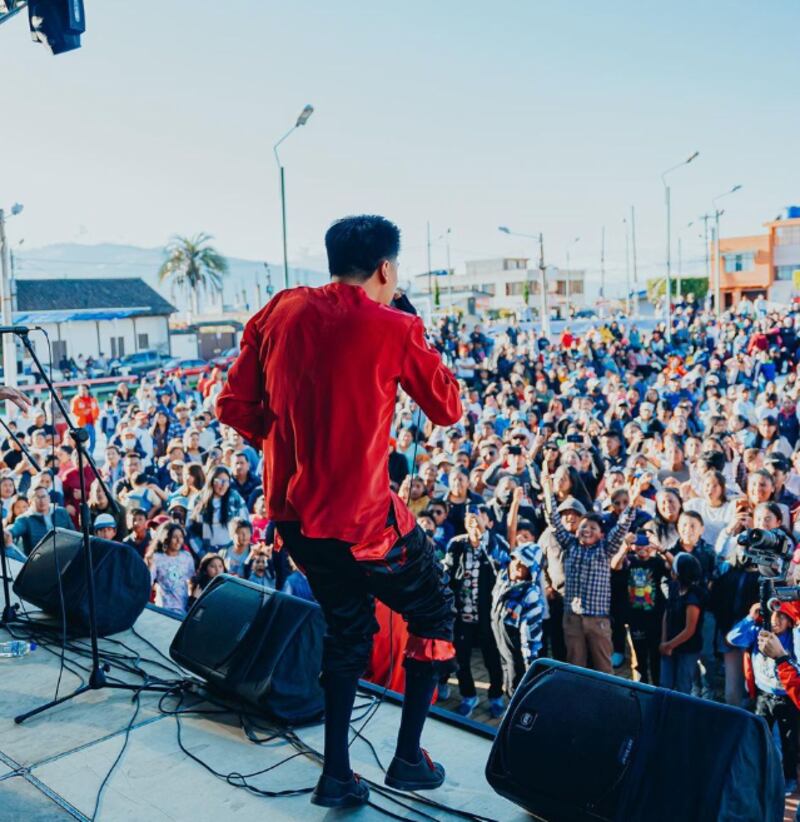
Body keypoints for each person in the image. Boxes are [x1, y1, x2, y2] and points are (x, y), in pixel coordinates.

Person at [217, 215, 461, 807]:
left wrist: (284, 446)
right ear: (386, 269)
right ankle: (407, 761)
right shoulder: (393, 326)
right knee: (435, 616)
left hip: (293, 519)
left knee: (348, 630)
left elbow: (234, 405)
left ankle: (337, 775)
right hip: (362, 523)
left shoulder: (278, 310)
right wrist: (410, 322)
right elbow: (447, 407)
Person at [543, 465, 638, 674]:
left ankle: (606, 702)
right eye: (583, 526)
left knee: (603, 666)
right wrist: (548, 491)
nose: (586, 530)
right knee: (576, 665)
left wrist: (632, 502)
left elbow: (622, 527)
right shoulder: (570, 544)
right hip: (572, 618)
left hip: (598, 620)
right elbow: (553, 520)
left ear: (601, 534)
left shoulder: (605, 549)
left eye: (593, 528)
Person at [443, 505, 508, 719]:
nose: (474, 521)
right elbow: (447, 575)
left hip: (488, 617)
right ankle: (468, 695)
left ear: (489, 522)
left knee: (492, 660)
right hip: (462, 615)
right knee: (461, 659)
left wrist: (483, 537)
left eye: (479, 517)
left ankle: (496, 696)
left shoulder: (495, 543)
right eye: (470, 518)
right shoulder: (457, 545)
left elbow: (501, 566)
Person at [728, 602, 798, 793]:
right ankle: (759, 774)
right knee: (759, 734)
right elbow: (733, 638)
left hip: (787, 697)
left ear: (791, 621)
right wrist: (751, 617)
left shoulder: (793, 637)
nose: (775, 619)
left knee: (789, 740)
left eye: (782, 616)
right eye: (772, 614)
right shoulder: (759, 630)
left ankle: (790, 776)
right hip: (763, 694)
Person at [660, 552, 706, 694]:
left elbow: (689, 630)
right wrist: (664, 641)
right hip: (669, 645)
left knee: (683, 686)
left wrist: (669, 645)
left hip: (687, 649)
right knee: (665, 684)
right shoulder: (674, 588)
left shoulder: (693, 597)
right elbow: (666, 614)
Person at [4, 481, 73, 558]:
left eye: (43, 496)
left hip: (65, 555)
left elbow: (73, 533)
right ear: (30, 502)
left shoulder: (61, 512)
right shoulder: (25, 519)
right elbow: (15, 528)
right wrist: (8, 533)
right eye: (37, 497)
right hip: (39, 561)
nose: (42, 500)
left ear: (49, 498)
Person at [147, 522, 195, 616]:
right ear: (166, 538)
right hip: (164, 608)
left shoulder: (187, 556)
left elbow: (191, 581)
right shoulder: (156, 557)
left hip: (183, 607)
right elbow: (148, 581)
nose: (178, 540)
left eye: (181, 536)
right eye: (174, 537)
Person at [70, 383, 100, 455]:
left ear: (87, 390)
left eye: (84, 389)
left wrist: (95, 417)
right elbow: (73, 411)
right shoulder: (76, 400)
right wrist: (83, 412)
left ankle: (90, 455)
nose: (83, 391)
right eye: (81, 390)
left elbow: (97, 409)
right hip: (82, 424)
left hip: (92, 423)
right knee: (83, 441)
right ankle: (83, 455)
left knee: (93, 441)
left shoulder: (93, 399)